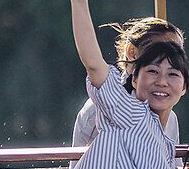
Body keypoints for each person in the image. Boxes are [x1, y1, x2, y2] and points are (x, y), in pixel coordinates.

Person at [46, 0, 189, 169]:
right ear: (134, 77)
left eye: (173, 72)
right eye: (153, 71)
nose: (162, 82)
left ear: (184, 87)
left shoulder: (165, 132)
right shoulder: (127, 110)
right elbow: (92, 62)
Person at [73, 17, 183, 149]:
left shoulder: (170, 118)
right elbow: (92, 64)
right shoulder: (106, 106)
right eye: (159, 51)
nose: (170, 57)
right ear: (132, 52)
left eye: (177, 54)